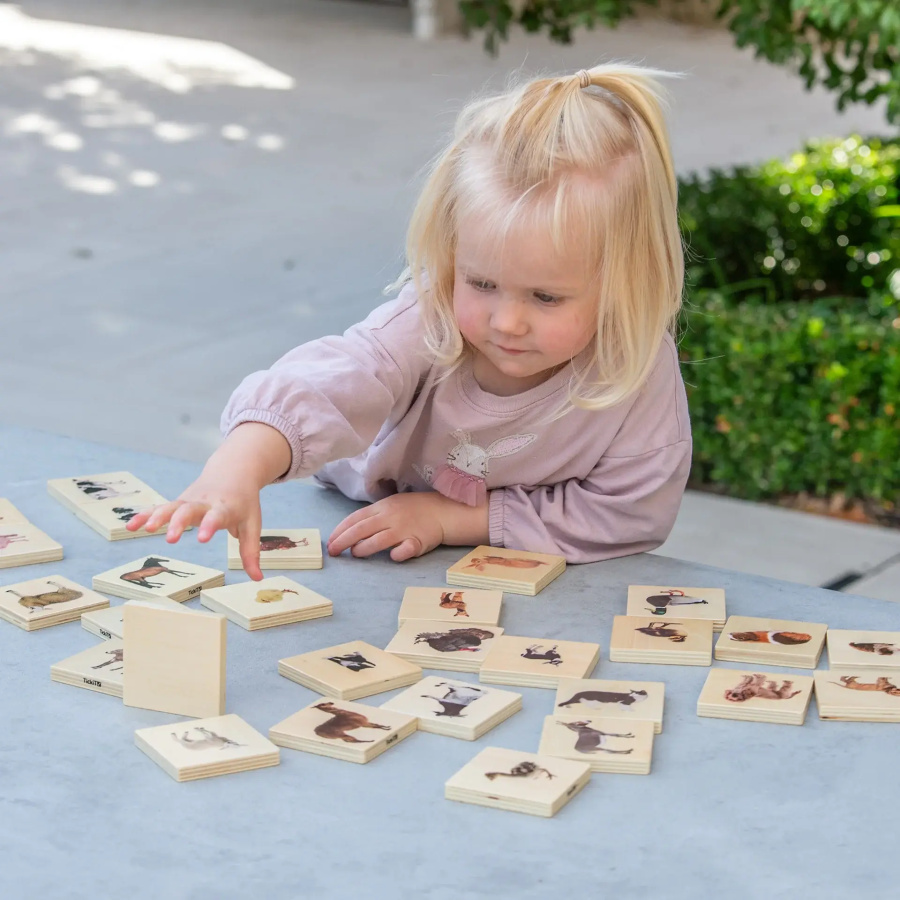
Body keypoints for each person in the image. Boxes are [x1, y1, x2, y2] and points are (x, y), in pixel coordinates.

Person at [127, 63, 692, 580]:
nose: (507, 322)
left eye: (546, 297)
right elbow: (334, 381)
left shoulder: (637, 367)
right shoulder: (431, 318)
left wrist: (450, 518)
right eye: (481, 283)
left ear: (628, 282)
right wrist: (237, 466)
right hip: (359, 513)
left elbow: (630, 512)